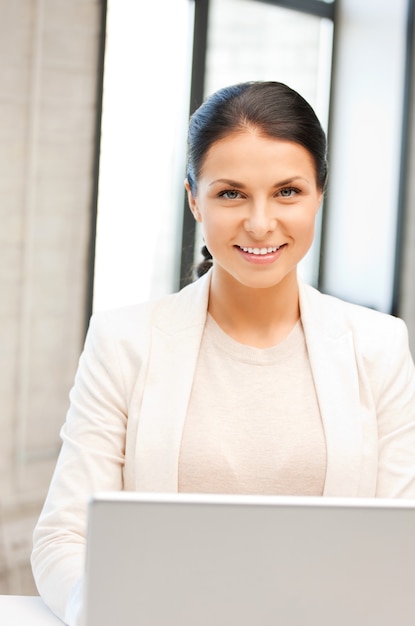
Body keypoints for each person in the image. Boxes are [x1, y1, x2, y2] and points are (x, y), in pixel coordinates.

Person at [31, 81, 415, 625]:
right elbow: (62, 539)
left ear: (319, 195)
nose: (260, 223)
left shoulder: (379, 346)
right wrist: (105, 609)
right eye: (231, 193)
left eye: (288, 192)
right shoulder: (124, 341)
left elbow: (402, 544)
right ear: (193, 198)